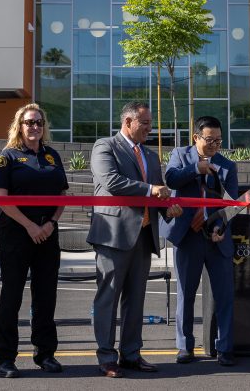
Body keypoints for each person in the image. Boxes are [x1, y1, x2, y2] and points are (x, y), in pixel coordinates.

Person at [88, 101, 182, 378]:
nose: (150, 129)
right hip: (114, 235)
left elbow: (159, 195)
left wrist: (170, 208)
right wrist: (152, 190)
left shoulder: (151, 156)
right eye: (145, 123)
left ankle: (131, 354)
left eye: (150, 123)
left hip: (143, 234)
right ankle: (107, 357)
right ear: (127, 122)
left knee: (136, 300)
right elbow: (111, 181)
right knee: (108, 298)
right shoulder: (105, 146)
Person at [0, 103, 69, 379]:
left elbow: (62, 195)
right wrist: (30, 226)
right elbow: (1, 198)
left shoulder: (52, 156)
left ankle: (45, 353)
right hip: (16, 235)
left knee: (46, 297)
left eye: (38, 122)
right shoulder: (9, 157)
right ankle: (4, 358)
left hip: (47, 235)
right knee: (11, 298)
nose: (34, 127)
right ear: (19, 126)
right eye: (29, 122)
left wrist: (49, 224)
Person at [163, 116, 239, 367]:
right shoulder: (180, 155)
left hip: (216, 239)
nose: (215, 145)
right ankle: (185, 347)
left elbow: (231, 204)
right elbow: (172, 179)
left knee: (224, 295)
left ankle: (225, 347)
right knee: (186, 294)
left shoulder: (228, 166)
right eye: (209, 140)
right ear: (196, 137)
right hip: (188, 237)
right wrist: (197, 169)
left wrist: (219, 227)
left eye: (218, 140)